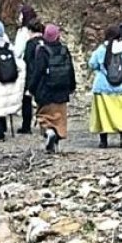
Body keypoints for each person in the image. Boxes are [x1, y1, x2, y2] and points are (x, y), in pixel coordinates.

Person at [88, 25, 122, 149]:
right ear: (120, 36)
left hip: (102, 87)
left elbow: (92, 64)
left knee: (102, 115)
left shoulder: (100, 49)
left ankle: (103, 140)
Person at [31, 24, 76, 154]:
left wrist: (32, 88)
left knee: (44, 116)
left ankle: (48, 132)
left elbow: (37, 72)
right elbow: (70, 70)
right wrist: (72, 86)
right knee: (59, 118)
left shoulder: (42, 50)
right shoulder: (64, 50)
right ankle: (56, 143)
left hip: (45, 90)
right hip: (62, 90)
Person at [19, 19, 45, 134]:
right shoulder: (46, 41)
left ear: (30, 30)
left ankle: (26, 126)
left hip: (31, 75)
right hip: (45, 75)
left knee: (27, 101)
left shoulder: (30, 43)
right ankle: (44, 125)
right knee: (43, 102)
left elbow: (27, 60)